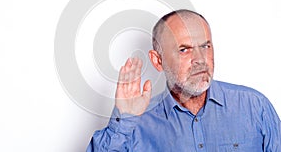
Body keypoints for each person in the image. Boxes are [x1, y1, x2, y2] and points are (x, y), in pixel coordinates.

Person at [86, 9, 281, 151]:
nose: (199, 60)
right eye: (184, 49)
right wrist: (124, 119)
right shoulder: (136, 125)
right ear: (158, 60)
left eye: (205, 46)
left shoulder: (255, 107)